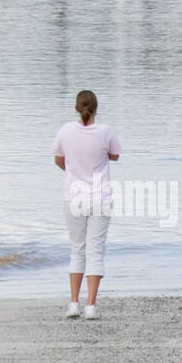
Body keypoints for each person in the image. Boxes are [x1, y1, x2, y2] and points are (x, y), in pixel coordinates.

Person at [52, 90, 121, 320]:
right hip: (100, 198)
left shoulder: (65, 130)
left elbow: (58, 159)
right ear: (96, 109)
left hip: (73, 197)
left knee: (77, 249)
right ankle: (91, 306)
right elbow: (115, 156)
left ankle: (73, 303)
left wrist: (74, 171)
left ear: (76, 107)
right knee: (95, 251)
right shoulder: (105, 131)